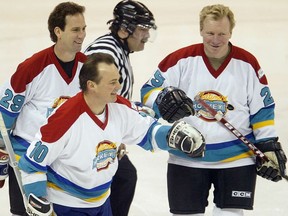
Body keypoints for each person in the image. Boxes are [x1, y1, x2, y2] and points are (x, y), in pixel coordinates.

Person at [140, 4, 287, 216]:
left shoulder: (247, 64)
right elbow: (148, 91)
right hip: (186, 155)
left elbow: (262, 108)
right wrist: (162, 100)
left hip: (237, 158)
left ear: (230, 32)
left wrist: (268, 143)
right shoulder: (180, 60)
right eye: (210, 33)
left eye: (221, 34)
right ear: (201, 30)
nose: (215, 39)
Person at [17, 53, 205, 216]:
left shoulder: (118, 107)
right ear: (92, 85)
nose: (118, 86)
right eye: (112, 82)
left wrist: (171, 136)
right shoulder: (63, 120)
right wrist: (37, 198)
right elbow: (31, 164)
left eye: (119, 80)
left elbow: (146, 132)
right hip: (67, 205)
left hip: (102, 202)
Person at [0, 2, 87, 215]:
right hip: (28, 159)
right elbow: (5, 116)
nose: (82, 35)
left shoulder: (89, 68)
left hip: (65, 162)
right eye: (76, 29)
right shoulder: (32, 68)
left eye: (84, 28)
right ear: (58, 31)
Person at [83, 1, 157, 215]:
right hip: (89, 136)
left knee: (124, 177)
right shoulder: (106, 52)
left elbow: (113, 100)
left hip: (100, 134)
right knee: (123, 177)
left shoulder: (117, 49)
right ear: (125, 30)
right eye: (142, 29)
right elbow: (92, 96)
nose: (146, 35)